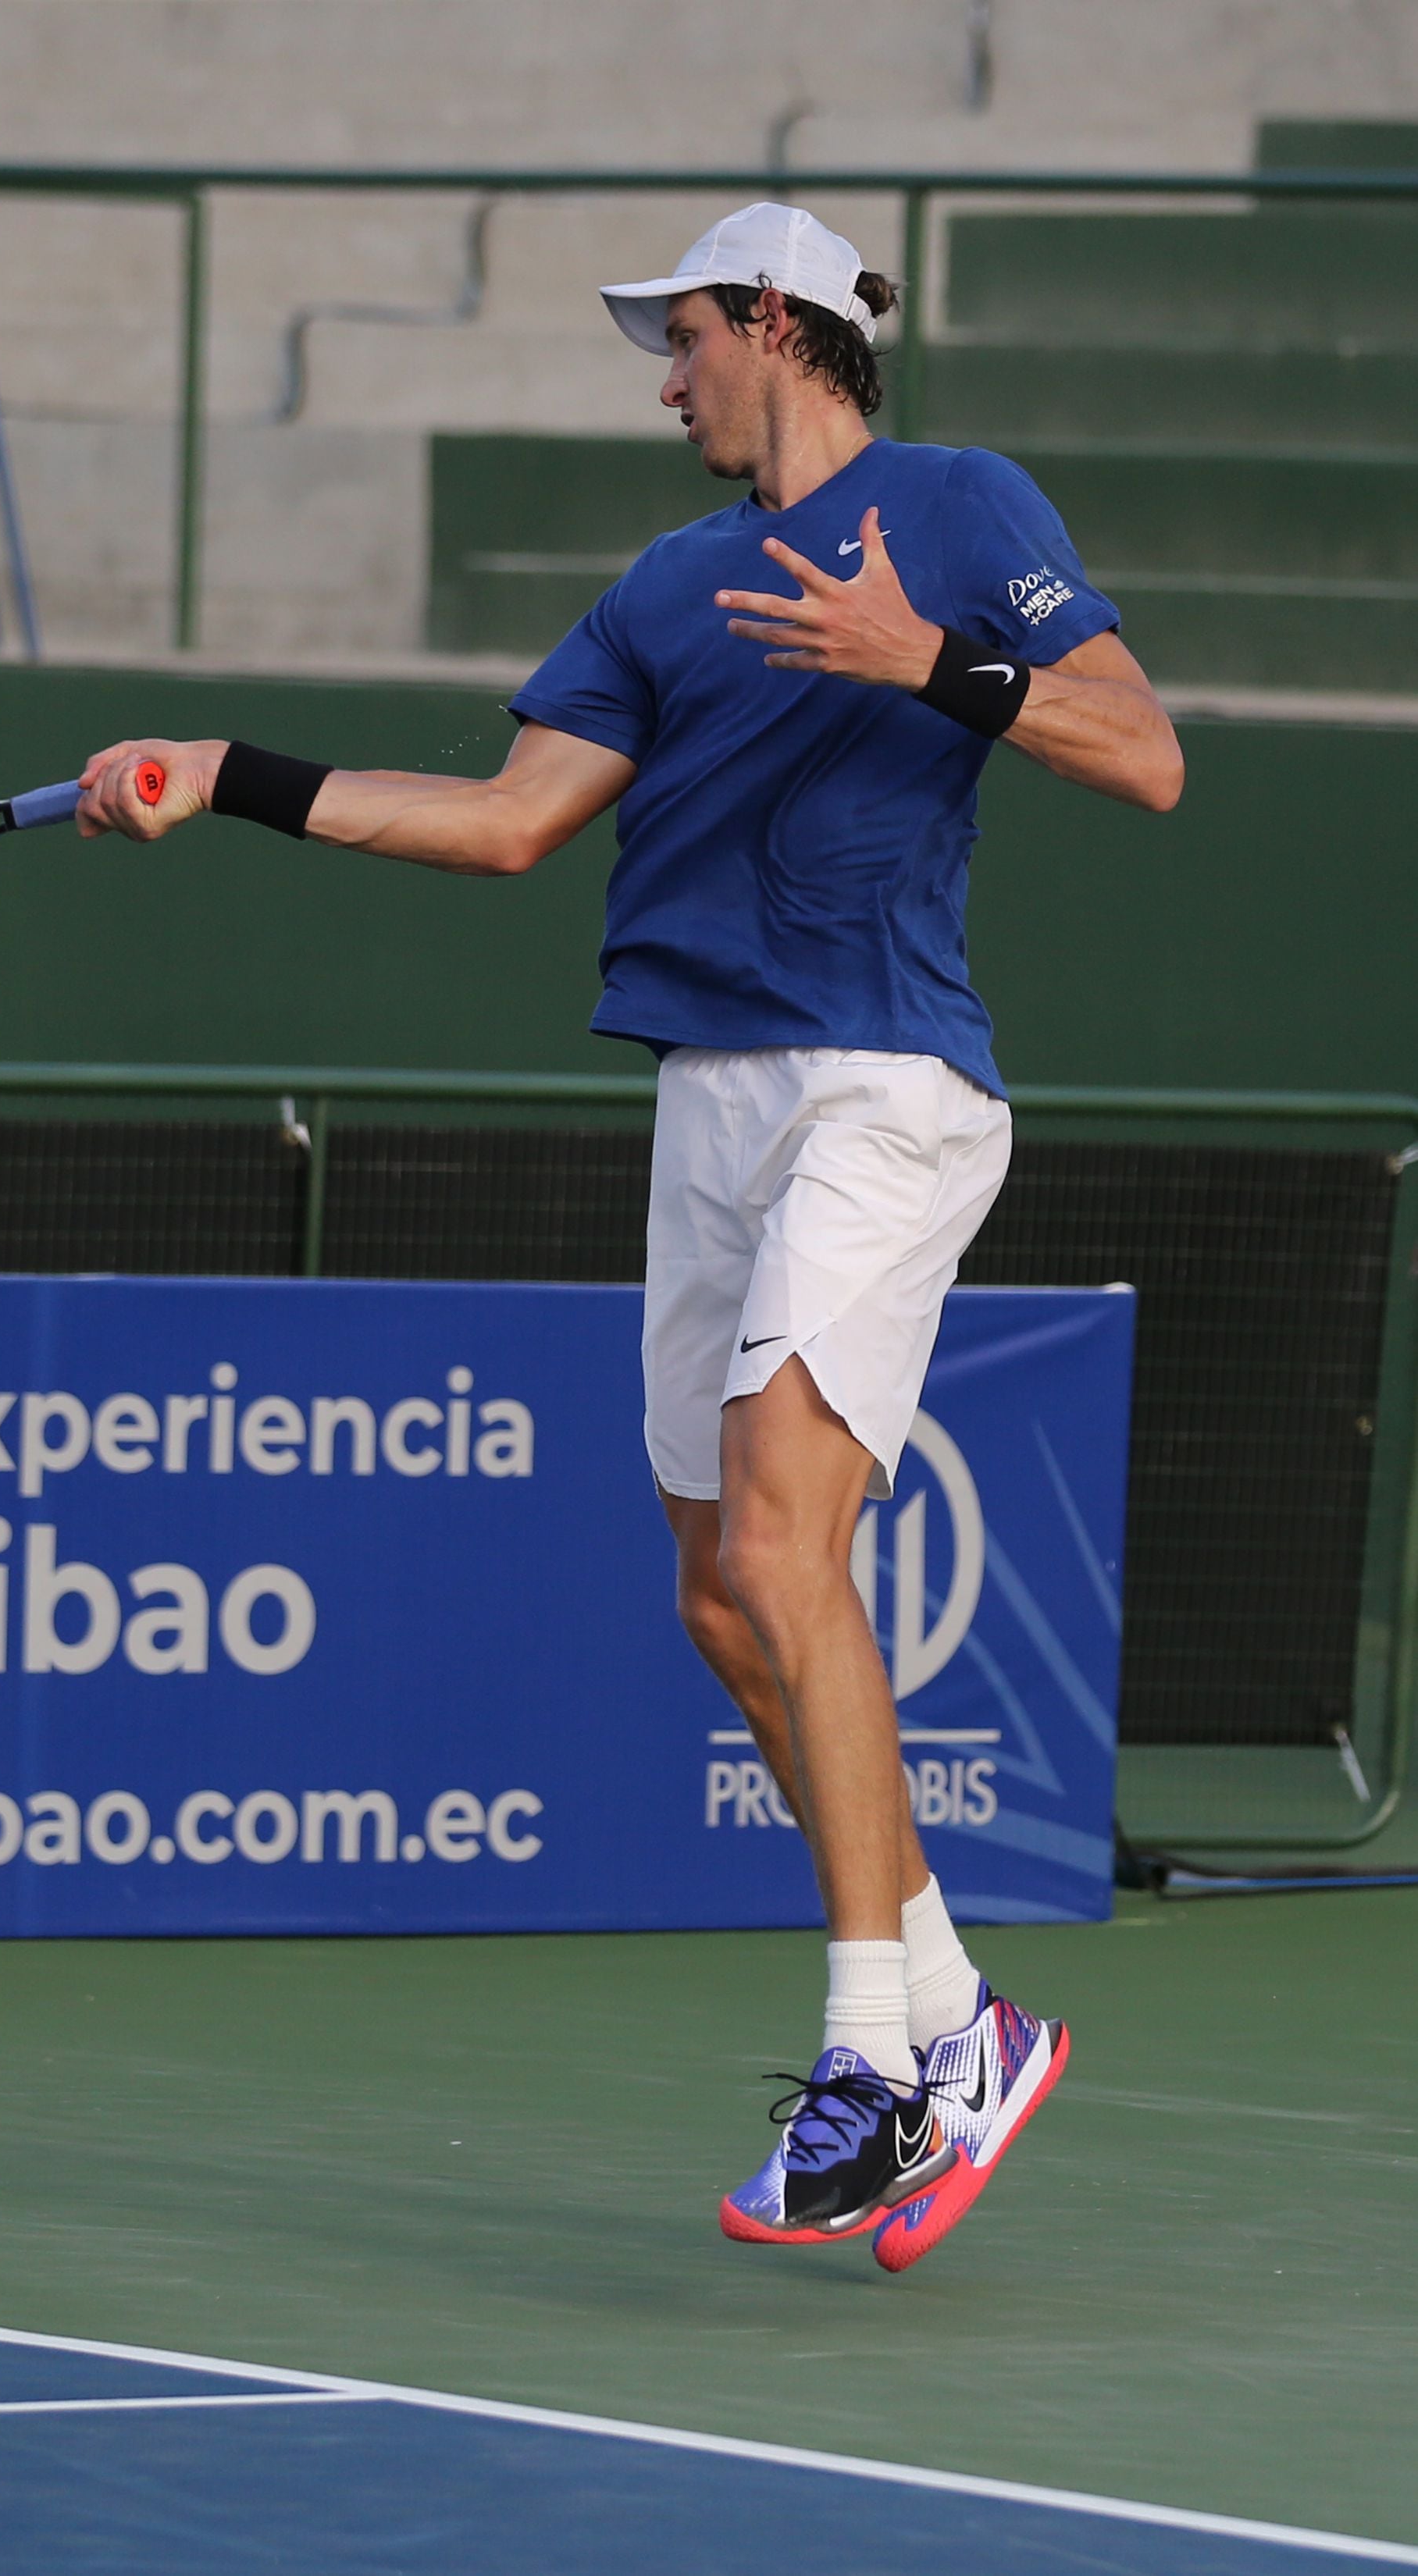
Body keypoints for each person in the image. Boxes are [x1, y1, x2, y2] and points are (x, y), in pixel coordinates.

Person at [71, 201, 1183, 2273]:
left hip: (886, 1081)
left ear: (780, 324)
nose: (664, 379)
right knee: (719, 1596)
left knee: (783, 1545)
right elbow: (503, 821)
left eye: (682, 338)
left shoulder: (957, 506)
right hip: (708, 1099)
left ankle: (870, 2061)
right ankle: (963, 2017)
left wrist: (924, 658)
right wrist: (223, 773)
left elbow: (1144, 752)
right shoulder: (665, 587)